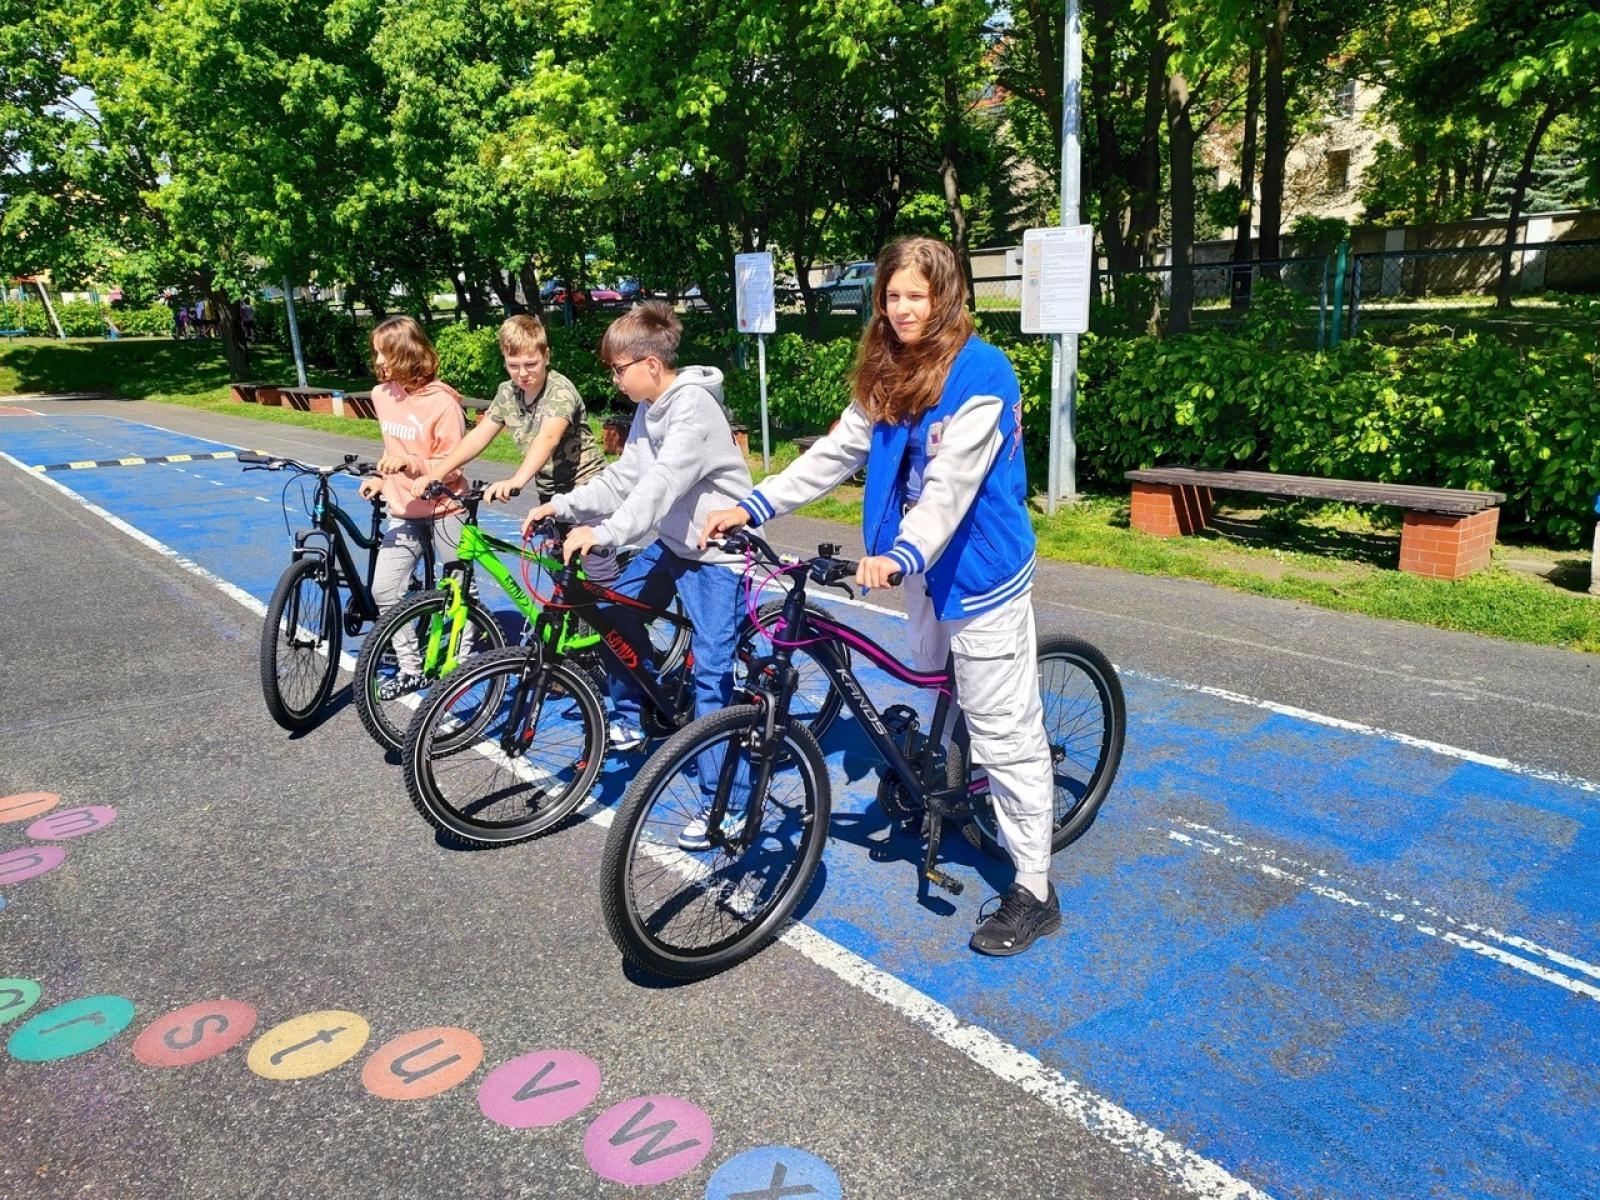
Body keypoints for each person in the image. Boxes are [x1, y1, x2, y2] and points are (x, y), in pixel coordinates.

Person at [701, 236, 1061, 957]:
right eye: (892, 295)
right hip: (922, 571)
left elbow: (951, 487)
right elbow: (835, 452)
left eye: (915, 296)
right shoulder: (888, 368)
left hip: (978, 570)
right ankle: (951, 792)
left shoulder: (981, 374)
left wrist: (900, 553)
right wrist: (756, 504)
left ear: (946, 297)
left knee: (1003, 731)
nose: (901, 309)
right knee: (932, 690)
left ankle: (1035, 887)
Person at [522, 301, 752, 843]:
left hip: (719, 554)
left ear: (650, 363)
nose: (614, 378)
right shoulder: (651, 409)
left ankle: (729, 804)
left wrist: (604, 533)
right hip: (676, 544)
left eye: (618, 368)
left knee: (713, 679)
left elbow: (661, 484)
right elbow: (627, 477)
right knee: (608, 609)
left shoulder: (692, 409)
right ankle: (634, 709)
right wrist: (564, 507)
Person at [358, 315, 469, 700]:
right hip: (403, 510)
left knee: (457, 591)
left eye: (384, 353)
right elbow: (393, 447)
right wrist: (381, 475)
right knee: (384, 588)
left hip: (445, 509)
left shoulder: (443, 404)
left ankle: (463, 665)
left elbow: (454, 464)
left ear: (405, 353)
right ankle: (411, 667)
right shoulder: (381, 395)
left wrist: (414, 466)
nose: (379, 361)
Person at [410, 314, 604, 510]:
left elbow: (549, 437)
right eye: (513, 365)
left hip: (585, 486)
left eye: (530, 364)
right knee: (546, 540)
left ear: (546, 357)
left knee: (576, 541)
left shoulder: (559, 390)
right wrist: (437, 473)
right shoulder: (507, 392)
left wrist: (517, 480)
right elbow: (479, 436)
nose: (522, 374)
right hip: (549, 491)